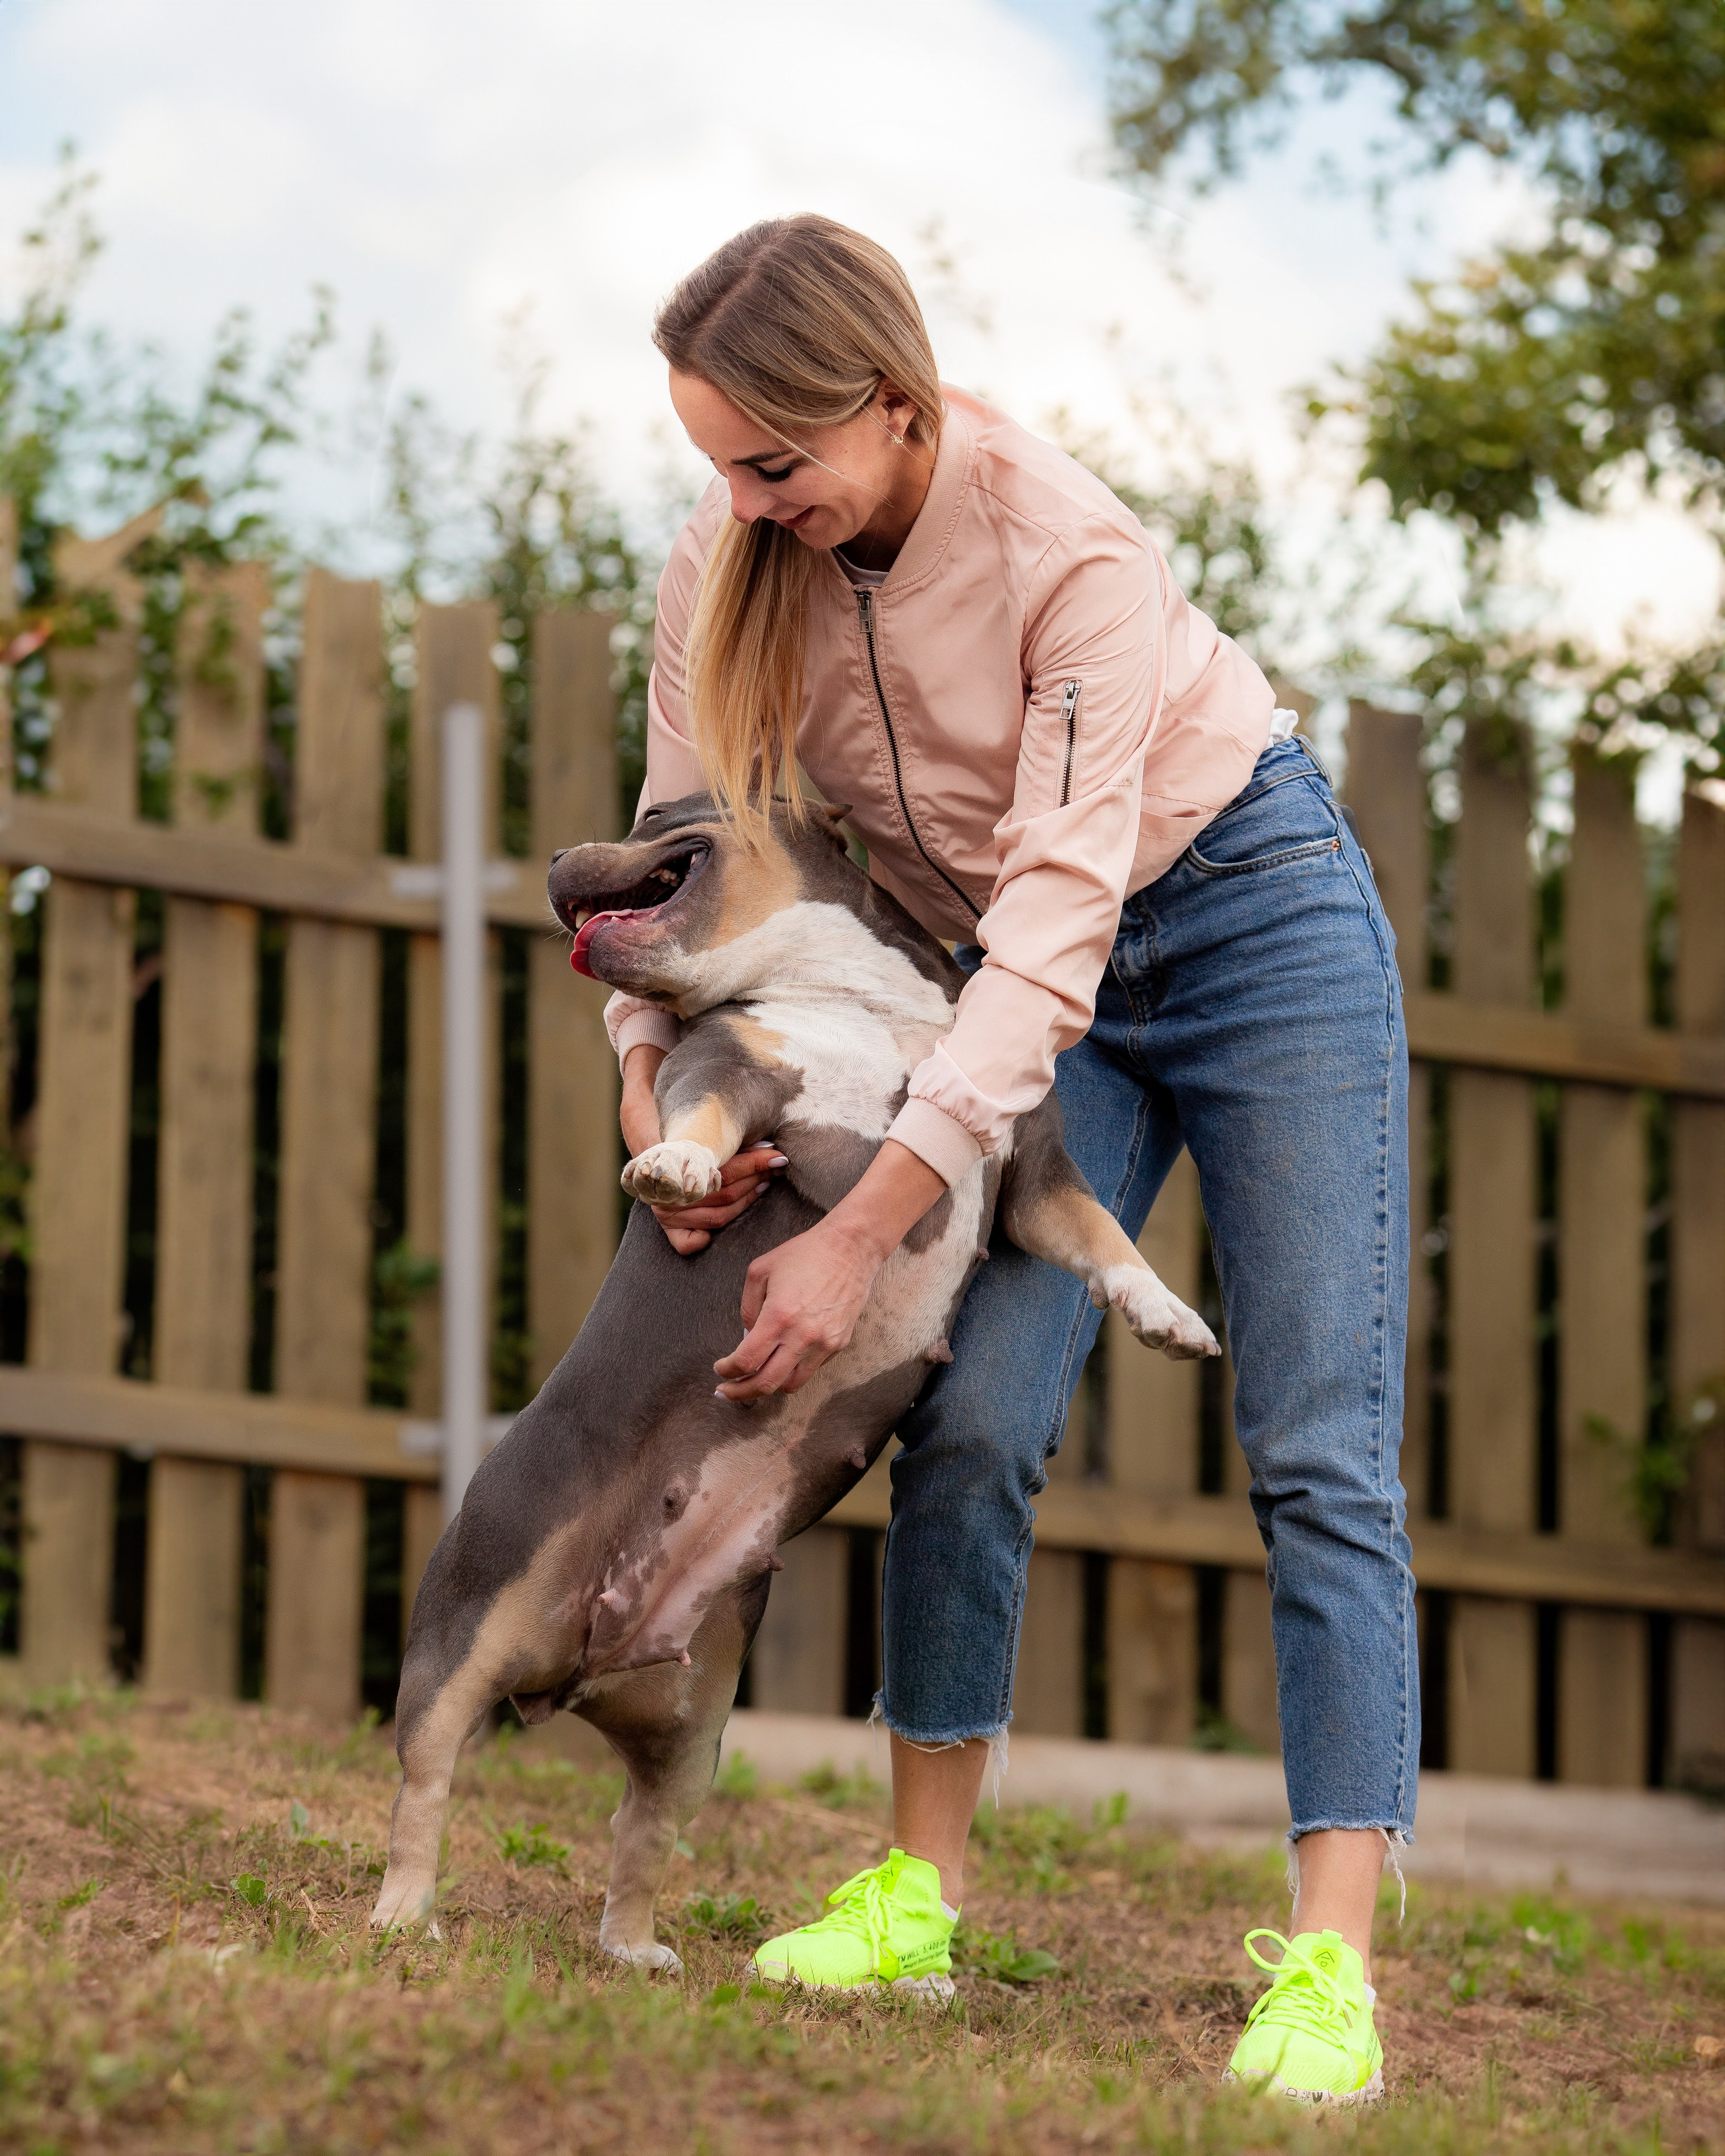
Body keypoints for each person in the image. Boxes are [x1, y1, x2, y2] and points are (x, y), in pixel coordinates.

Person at [605, 215, 1414, 2105]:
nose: (739, 502)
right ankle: (915, 1893)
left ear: (897, 408)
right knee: (969, 1411)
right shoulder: (728, 566)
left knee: (1317, 1443)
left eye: (774, 464)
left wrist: (871, 1220)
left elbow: (1055, 927)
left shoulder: (1070, 555)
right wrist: (661, 1114)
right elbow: (669, 872)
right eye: (712, 461)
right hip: (1016, 978)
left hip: (1247, 923)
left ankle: (1329, 1971)